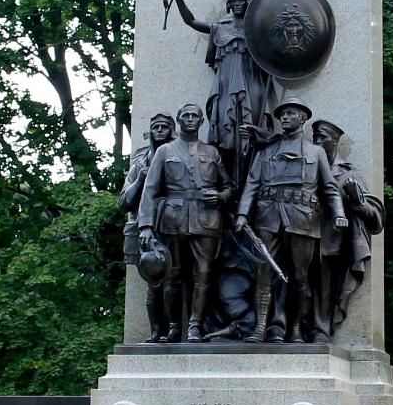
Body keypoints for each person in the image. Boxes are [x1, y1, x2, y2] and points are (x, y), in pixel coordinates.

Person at [235, 98, 347, 343]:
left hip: (303, 219)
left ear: (303, 119)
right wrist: (243, 214)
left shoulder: (316, 152)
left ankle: (296, 328)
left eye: (291, 113)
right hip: (268, 217)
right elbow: (252, 184)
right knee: (264, 273)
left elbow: (329, 189)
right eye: (283, 113)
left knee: (299, 277)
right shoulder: (265, 151)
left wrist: (338, 213)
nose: (284, 117)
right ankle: (260, 327)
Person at [138, 103, 235, 343]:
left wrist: (222, 196)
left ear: (201, 122)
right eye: (186, 115)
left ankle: (195, 326)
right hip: (172, 220)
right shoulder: (165, 151)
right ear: (179, 120)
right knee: (173, 275)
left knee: (202, 274)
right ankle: (174, 327)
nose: (190, 119)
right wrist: (146, 226)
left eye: (195, 116)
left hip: (206, 220)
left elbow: (229, 186)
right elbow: (150, 190)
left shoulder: (212, 152)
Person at [173, 0, 269, 177]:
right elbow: (191, 21)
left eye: (240, 0)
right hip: (225, 87)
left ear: (248, 1)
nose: (236, 4)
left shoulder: (258, 28)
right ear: (228, 3)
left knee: (250, 131)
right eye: (233, 0)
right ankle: (228, 184)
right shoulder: (219, 28)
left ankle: (249, 181)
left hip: (252, 85)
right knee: (226, 133)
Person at [309, 119, 385, 343]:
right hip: (300, 235)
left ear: (335, 142)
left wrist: (356, 200)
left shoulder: (347, 173)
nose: (317, 142)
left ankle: (320, 330)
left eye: (322, 138)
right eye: (314, 138)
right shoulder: (306, 165)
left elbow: (376, 217)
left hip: (330, 241)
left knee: (323, 287)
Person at [118, 112, 175, 342]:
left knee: (175, 279)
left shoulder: (178, 157)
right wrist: (141, 178)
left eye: (165, 126)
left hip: (173, 225)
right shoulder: (139, 163)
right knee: (155, 283)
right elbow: (124, 202)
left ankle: (174, 329)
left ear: (172, 130)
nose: (160, 130)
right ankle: (155, 330)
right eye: (156, 126)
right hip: (146, 227)